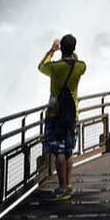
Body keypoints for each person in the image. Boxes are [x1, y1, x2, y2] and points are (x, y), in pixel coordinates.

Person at [39, 34, 86, 201]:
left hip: (56, 114)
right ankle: (68, 184)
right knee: (68, 151)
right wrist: (69, 51)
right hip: (72, 113)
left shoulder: (55, 67)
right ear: (74, 49)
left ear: (62, 49)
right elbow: (76, 60)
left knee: (58, 150)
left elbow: (41, 66)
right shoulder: (80, 66)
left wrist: (53, 50)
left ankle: (61, 187)